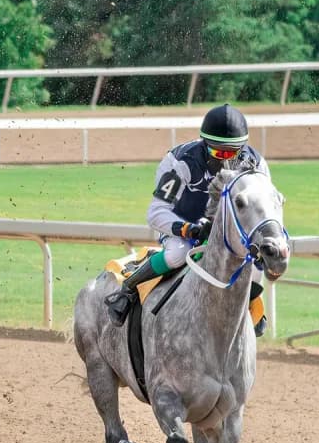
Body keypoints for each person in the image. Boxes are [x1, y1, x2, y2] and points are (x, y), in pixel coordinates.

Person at [104, 103, 271, 335]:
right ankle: (127, 290)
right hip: (182, 225)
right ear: (205, 145)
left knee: (255, 257)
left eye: (231, 153)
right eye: (219, 153)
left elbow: (263, 208)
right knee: (178, 254)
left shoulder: (255, 164)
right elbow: (155, 213)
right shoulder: (181, 163)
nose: (225, 162)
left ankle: (252, 304)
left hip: (227, 231)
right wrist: (189, 230)